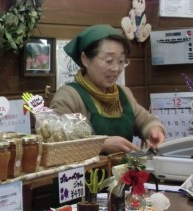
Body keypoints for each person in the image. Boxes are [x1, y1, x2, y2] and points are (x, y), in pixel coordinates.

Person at [50, 24, 165, 155]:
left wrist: (154, 131)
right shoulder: (69, 96)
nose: (116, 69)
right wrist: (102, 144)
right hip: (84, 174)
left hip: (124, 173)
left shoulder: (124, 94)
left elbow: (146, 121)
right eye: (109, 60)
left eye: (121, 61)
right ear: (85, 59)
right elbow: (56, 144)